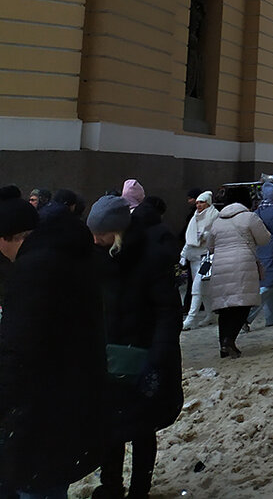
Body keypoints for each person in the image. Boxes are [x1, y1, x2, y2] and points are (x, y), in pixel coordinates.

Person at [0, 192, 107, 499]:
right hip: (70, 405)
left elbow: (18, 352)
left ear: (7, 237)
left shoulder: (33, 271)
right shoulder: (66, 255)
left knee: (36, 488)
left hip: (41, 415)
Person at [87, 194, 184, 499]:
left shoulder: (151, 257)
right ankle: (111, 485)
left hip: (144, 354)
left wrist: (157, 360)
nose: (94, 239)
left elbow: (169, 313)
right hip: (109, 355)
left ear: (116, 231)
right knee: (109, 426)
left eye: (99, 233)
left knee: (142, 427)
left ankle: (140, 489)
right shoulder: (97, 258)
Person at [208, 185, 271, 358]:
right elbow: (265, 239)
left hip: (220, 266)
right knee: (242, 304)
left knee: (225, 306)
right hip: (243, 264)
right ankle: (230, 340)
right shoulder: (250, 217)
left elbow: (210, 246)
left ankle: (223, 345)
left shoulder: (218, 220)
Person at [247, 181, 273, 328]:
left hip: (259, 251)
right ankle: (246, 317)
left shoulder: (256, 212)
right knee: (269, 285)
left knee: (269, 283)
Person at [181, 190, 218, 330]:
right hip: (194, 257)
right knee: (205, 289)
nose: (199, 205)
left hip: (207, 257)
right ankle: (210, 315)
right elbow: (189, 238)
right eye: (197, 202)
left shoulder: (215, 216)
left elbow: (216, 235)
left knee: (197, 288)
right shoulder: (194, 218)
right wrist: (183, 255)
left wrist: (206, 236)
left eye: (201, 202)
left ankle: (191, 318)